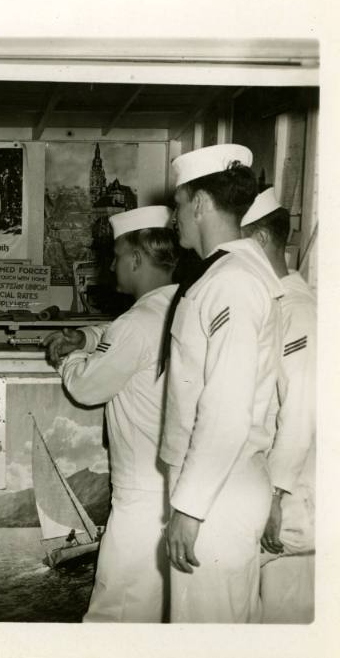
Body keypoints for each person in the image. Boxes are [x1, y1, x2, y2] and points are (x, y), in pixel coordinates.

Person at [159, 144, 284, 623]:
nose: (176, 219)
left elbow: (226, 410)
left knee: (207, 634)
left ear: (199, 203)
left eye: (178, 205)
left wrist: (190, 509)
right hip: (219, 484)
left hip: (217, 492)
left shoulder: (231, 282)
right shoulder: (223, 273)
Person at [44, 206, 179, 623]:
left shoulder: (135, 323)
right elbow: (117, 336)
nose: (111, 265)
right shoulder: (181, 306)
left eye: (117, 255)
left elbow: (86, 387)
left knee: (113, 617)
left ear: (136, 260)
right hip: (173, 489)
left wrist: (66, 357)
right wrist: (85, 336)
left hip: (139, 498)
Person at [240, 188, 316, 623]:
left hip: (292, 507)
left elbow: (301, 410)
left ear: (262, 242)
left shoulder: (298, 313)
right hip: (279, 501)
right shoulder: (275, 306)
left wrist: (275, 496)